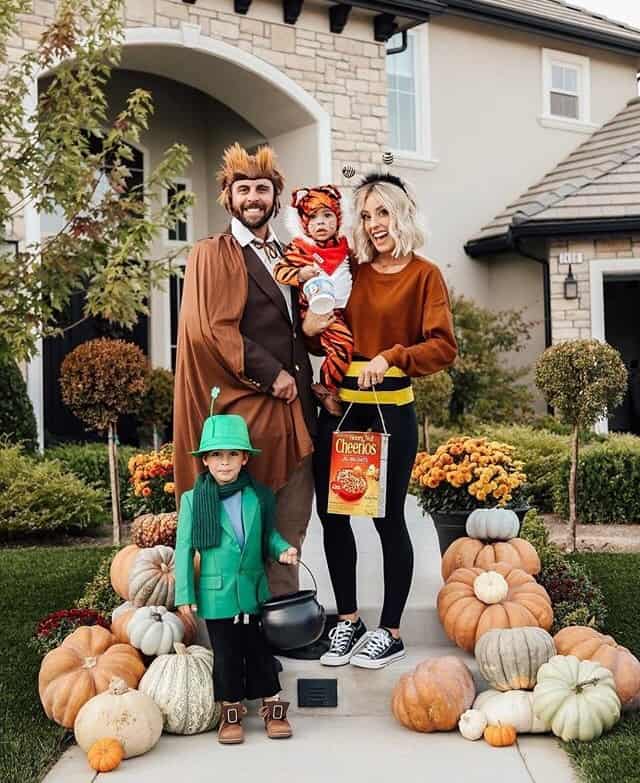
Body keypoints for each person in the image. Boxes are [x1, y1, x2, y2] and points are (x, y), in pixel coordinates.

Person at [307, 172, 457, 669]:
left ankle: (389, 631)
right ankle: (347, 621)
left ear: (403, 213)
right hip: (340, 410)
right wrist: (311, 331)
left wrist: (391, 356)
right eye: (366, 216)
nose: (373, 225)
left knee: (386, 519)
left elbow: (442, 347)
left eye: (382, 213)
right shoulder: (354, 272)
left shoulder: (425, 275)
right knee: (334, 517)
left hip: (390, 414)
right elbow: (325, 333)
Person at [173, 143, 332, 597]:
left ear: (275, 197)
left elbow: (297, 332)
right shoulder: (214, 253)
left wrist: (318, 341)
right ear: (229, 197)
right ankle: (245, 625)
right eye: (243, 189)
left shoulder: (289, 254)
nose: (253, 197)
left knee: (289, 521)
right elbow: (212, 330)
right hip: (250, 414)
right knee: (245, 525)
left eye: (262, 188)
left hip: (298, 411)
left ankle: (283, 617)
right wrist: (272, 373)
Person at [175, 402, 298, 744]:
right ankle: (231, 713)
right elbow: (184, 550)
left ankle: (271, 706)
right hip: (216, 595)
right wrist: (184, 593)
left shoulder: (257, 496)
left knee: (259, 651)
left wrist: (282, 549)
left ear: (245, 458)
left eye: (232, 454)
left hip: (253, 590)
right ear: (205, 460)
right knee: (227, 656)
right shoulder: (192, 501)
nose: (224, 462)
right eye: (216, 455)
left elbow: (267, 536)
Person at [274, 185, 354, 416]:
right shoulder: (301, 249)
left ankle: (329, 386)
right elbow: (279, 271)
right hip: (317, 311)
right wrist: (300, 275)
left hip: (341, 311)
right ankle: (327, 390)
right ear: (303, 223)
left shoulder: (344, 247)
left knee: (340, 348)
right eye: (313, 217)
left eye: (327, 215)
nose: (320, 223)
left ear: (338, 219)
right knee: (343, 346)